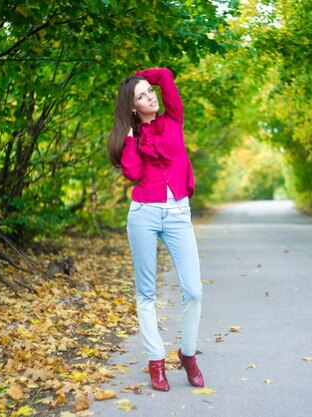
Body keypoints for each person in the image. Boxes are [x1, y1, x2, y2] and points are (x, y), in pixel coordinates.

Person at [107, 68, 204, 392]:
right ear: (132, 107)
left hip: (178, 212)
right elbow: (132, 172)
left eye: (150, 92)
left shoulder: (173, 118)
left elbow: (164, 75)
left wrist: (138, 77)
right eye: (142, 96)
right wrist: (132, 138)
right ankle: (156, 360)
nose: (151, 97)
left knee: (193, 291)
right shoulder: (131, 137)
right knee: (146, 293)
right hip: (144, 214)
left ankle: (188, 355)